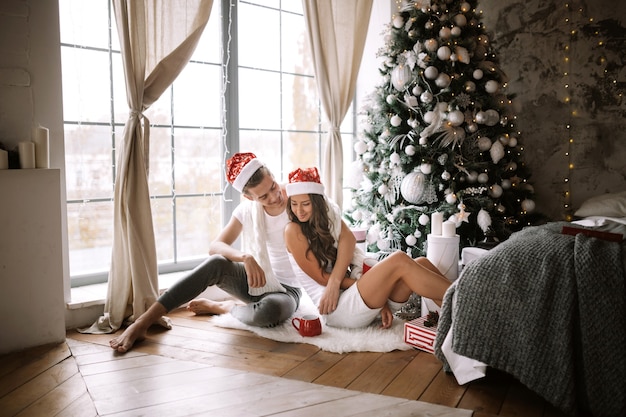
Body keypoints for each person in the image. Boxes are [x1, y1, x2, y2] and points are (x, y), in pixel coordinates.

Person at [109, 152, 302, 353]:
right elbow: (216, 246)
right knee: (216, 263)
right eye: (263, 196)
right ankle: (142, 323)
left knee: (269, 313)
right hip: (256, 281)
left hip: (285, 291)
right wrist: (245, 257)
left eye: (273, 187)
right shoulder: (246, 210)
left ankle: (225, 307)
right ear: (248, 197)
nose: (274, 196)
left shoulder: (298, 197)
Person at [284, 167, 451, 329]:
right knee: (399, 259)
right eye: (294, 204)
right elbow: (321, 277)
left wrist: (376, 292)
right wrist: (369, 287)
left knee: (421, 262)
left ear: (316, 203)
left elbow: (348, 240)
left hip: (358, 297)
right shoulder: (293, 230)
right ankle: (466, 300)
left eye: (305, 204)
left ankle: (458, 312)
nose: (299, 210)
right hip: (336, 307)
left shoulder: (328, 221)